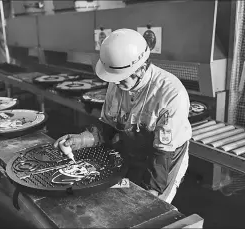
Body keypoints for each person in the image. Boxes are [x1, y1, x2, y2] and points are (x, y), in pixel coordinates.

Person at [54, 28, 192, 203]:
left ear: (141, 69)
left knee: (149, 204)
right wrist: (80, 140)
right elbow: (108, 129)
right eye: (114, 78)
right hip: (133, 149)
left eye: (121, 78)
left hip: (166, 159)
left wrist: (153, 193)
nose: (116, 83)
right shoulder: (118, 83)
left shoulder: (171, 94)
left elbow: (162, 155)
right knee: (124, 196)